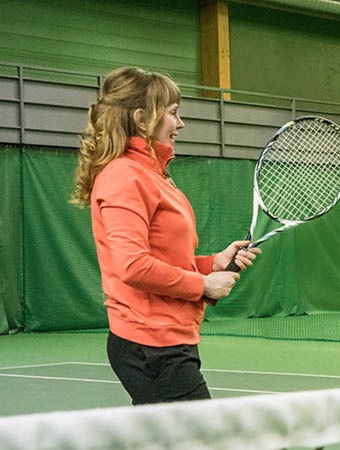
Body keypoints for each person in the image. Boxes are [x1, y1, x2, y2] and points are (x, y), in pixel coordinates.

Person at [70, 67, 261, 405]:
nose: (181, 123)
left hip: (168, 338)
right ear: (143, 119)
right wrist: (203, 285)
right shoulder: (124, 177)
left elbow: (164, 257)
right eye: (173, 113)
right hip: (149, 345)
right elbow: (133, 266)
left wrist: (210, 264)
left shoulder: (153, 176)